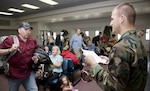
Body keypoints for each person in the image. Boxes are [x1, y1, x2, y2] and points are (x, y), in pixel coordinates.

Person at [83, 3, 147, 91]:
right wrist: (112, 60)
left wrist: (93, 65)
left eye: (112, 19)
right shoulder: (138, 41)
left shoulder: (121, 47)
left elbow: (112, 86)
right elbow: (132, 67)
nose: (110, 23)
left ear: (121, 18)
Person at [0, 22, 38, 91]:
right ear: (19, 30)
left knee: (34, 89)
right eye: (26, 29)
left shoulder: (32, 40)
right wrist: (10, 50)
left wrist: (37, 57)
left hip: (28, 73)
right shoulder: (10, 39)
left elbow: (36, 51)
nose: (28, 32)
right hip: (14, 74)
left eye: (29, 30)